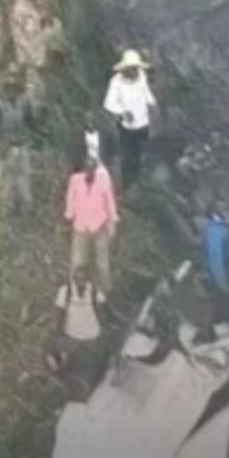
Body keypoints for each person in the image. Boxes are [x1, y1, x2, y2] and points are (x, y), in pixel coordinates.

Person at [102, 49, 158, 190]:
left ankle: (138, 183)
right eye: (131, 68)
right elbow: (109, 104)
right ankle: (127, 184)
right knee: (128, 155)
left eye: (136, 68)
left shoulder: (141, 76)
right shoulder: (116, 83)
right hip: (127, 127)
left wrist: (152, 103)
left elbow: (145, 92)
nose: (134, 71)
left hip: (143, 122)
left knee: (140, 154)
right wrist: (123, 112)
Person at [63, 155, 118, 292]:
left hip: (99, 226)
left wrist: (113, 221)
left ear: (95, 170)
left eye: (92, 170)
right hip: (80, 226)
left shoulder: (103, 181)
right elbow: (70, 198)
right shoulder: (75, 180)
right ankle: (73, 291)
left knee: (102, 264)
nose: (89, 173)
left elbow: (110, 202)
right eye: (87, 169)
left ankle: (106, 291)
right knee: (77, 261)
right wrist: (69, 215)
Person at [0, 79, 37, 215]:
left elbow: (31, 123)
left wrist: (29, 137)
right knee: (6, 179)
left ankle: (26, 206)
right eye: (9, 89)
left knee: (24, 177)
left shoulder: (24, 104)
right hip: (5, 147)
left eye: (14, 89)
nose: (11, 92)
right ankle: (5, 206)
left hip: (22, 145)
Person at [49, 266, 106, 374]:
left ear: (87, 279)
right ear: (73, 279)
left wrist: (102, 329)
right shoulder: (65, 291)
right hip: (71, 334)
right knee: (63, 360)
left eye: (83, 279)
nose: (81, 282)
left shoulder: (94, 290)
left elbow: (101, 310)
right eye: (78, 279)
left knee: (89, 366)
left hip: (92, 335)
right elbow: (59, 312)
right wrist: (58, 332)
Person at [203, 202, 229, 295]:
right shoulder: (215, 229)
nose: (227, 211)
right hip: (220, 287)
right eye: (223, 209)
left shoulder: (225, 228)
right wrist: (223, 285)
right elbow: (215, 258)